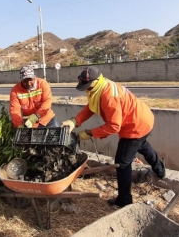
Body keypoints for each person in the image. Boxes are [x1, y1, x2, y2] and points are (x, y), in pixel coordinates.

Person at [61, 66, 165, 207]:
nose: (86, 89)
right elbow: (91, 107)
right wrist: (75, 121)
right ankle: (160, 169)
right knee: (143, 145)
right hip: (143, 119)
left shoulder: (109, 96)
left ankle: (124, 200)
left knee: (122, 164)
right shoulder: (101, 86)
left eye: (87, 86)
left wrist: (90, 133)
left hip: (135, 126)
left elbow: (113, 126)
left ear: (95, 81)